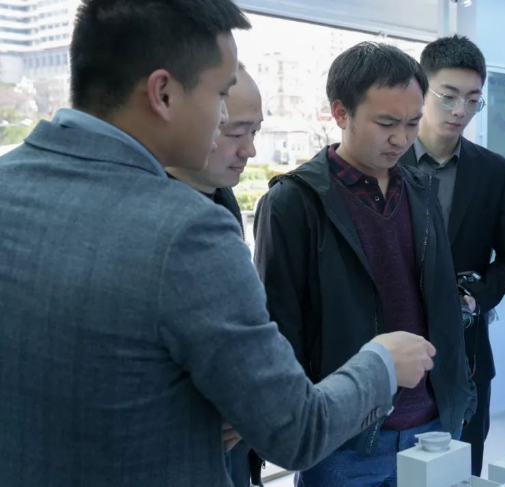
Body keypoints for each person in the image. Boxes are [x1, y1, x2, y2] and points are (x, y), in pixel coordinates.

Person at [0, 2, 439, 485]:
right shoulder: (189, 230)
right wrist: (381, 363)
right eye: (221, 95)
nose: (228, 122)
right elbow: (294, 430)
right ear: (163, 93)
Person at [254, 42, 476, 486]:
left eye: (412, 123)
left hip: (434, 428)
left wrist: (460, 395)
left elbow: (438, 301)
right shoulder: (293, 202)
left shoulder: (421, 192)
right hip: (344, 439)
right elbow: (279, 331)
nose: (401, 139)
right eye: (386, 123)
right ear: (341, 112)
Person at [399, 34, 505, 477]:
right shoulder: (387, 163)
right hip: (395, 346)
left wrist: (477, 298)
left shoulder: (493, 171)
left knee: (460, 471)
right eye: (449, 96)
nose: (460, 111)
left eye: (473, 100)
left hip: (466, 351)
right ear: (421, 89)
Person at [166, 62, 264, 487]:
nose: (250, 151)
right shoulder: (150, 217)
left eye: (255, 132)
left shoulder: (221, 198)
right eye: (236, 132)